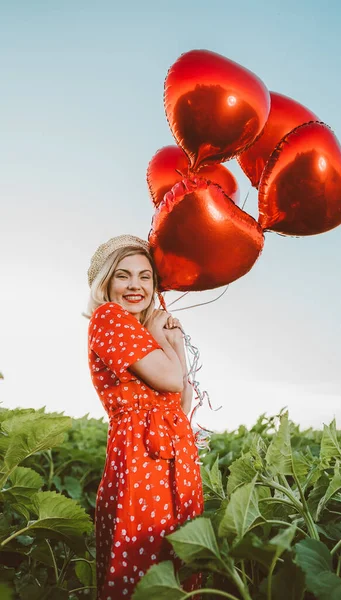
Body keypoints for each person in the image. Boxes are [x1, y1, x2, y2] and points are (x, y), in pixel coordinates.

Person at [86, 234, 204, 599]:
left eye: (145, 276)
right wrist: (158, 335)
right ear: (106, 283)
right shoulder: (109, 318)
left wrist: (176, 343)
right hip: (140, 458)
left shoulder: (142, 330)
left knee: (178, 565)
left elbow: (181, 401)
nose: (135, 285)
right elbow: (170, 379)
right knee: (142, 568)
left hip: (176, 456)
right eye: (123, 275)